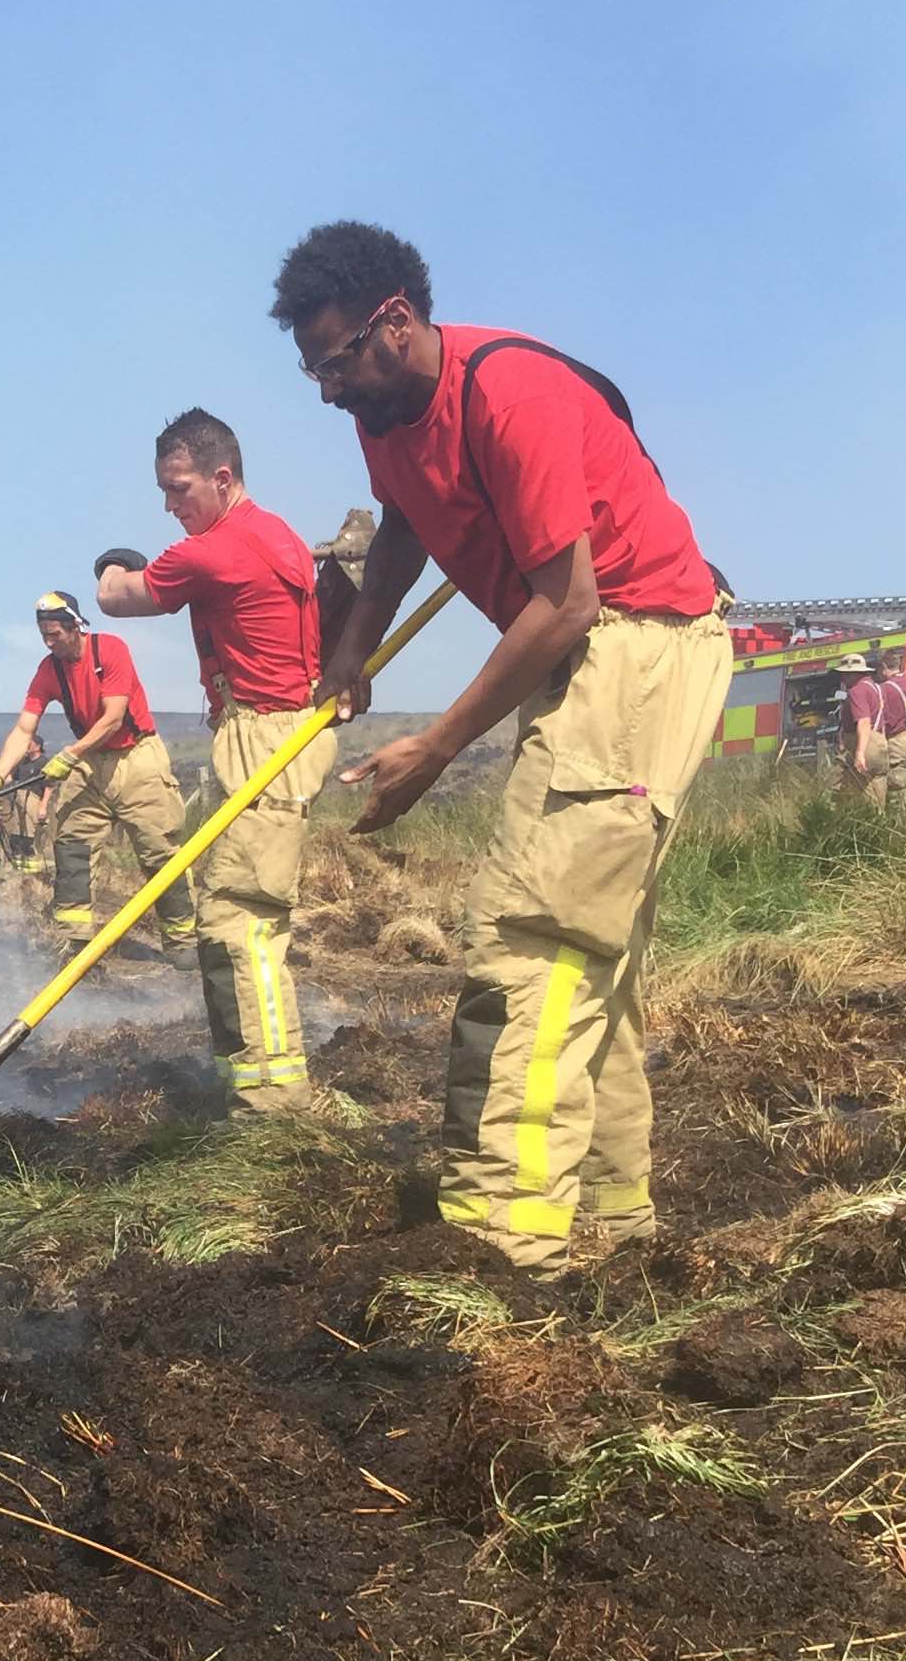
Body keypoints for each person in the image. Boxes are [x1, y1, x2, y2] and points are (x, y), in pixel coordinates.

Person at [269, 218, 731, 1271]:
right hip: (589, 652)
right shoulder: (384, 414)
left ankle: (504, 1244)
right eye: (310, 370)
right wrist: (352, 649)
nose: (325, 390)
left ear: (395, 325)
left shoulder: (506, 395)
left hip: (637, 640)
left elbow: (567, 602)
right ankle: (611, 1216)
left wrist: (436, 746)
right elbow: (402, 524)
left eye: (334, 361)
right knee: (587, 951)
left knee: (535, 939)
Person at [95, 410, 325, 1111]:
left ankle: (272, 1094)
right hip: (287, 730)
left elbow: (118, 598)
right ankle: (253, 1076)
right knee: (237, 908)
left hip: (263, 735)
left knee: (238, 916)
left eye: (180, 488)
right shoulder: (277, 532)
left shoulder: (215, 547)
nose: (171, 506)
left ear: (222, 479)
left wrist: (109, 563)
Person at [0, 592, 195, 954]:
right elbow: (23, 730)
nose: (49, 642)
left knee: (159, 849)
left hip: (136, 756)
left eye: (54, 634)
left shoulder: (110, 650)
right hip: (90, 761)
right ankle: (75, 939)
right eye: (43, 635)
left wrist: (69, 755)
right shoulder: (49, 670)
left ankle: (182, 940)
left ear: (74, 626)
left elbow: (112, 718)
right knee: (72, 844)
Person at [847, 657, 906, 806]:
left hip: (900, 741)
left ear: (884, 669)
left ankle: (897, 823)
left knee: (895, 786)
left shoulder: (884, 689)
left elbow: (877, 718)